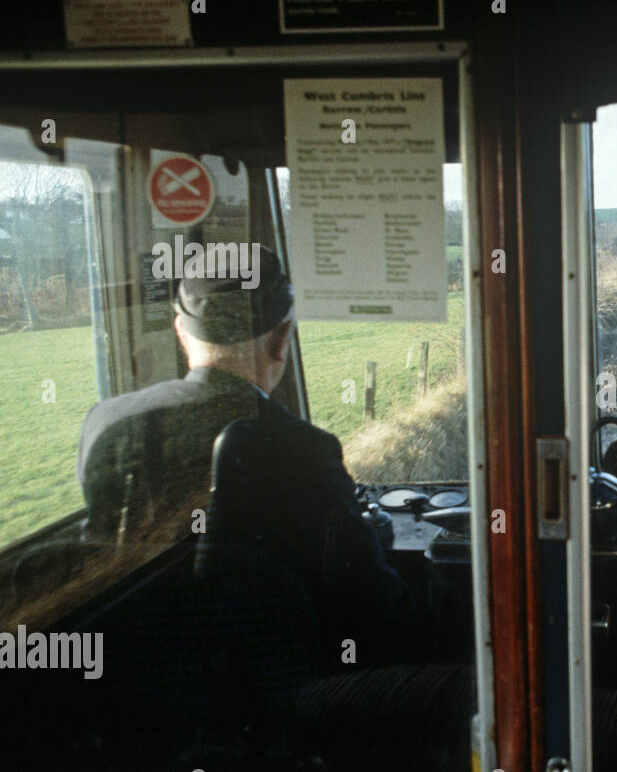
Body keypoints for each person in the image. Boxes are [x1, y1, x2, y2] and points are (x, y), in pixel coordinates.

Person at [75, 246, 418, 660]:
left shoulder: (105, 422)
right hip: (271, 699)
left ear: (180, 332)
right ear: (282, 338)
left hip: (135, 687)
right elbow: (377, 611)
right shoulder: (303, 449)